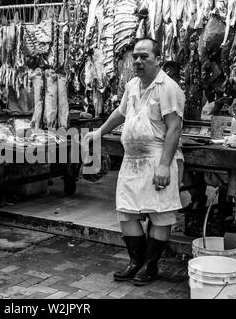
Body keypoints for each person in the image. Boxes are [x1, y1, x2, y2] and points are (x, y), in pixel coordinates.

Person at [84, 38, 185, 286]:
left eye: (144, 56)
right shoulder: (132, 85)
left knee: (160, 215)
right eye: (135, 56)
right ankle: (135, 262)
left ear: (158, 59)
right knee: (126, 213)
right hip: (132, 160)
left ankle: (150, 266)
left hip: (157, 158)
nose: (138, 61)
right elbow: (120, 113)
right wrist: (100, 132)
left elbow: (174, 128)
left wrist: (164, 165)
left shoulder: (168, 87)